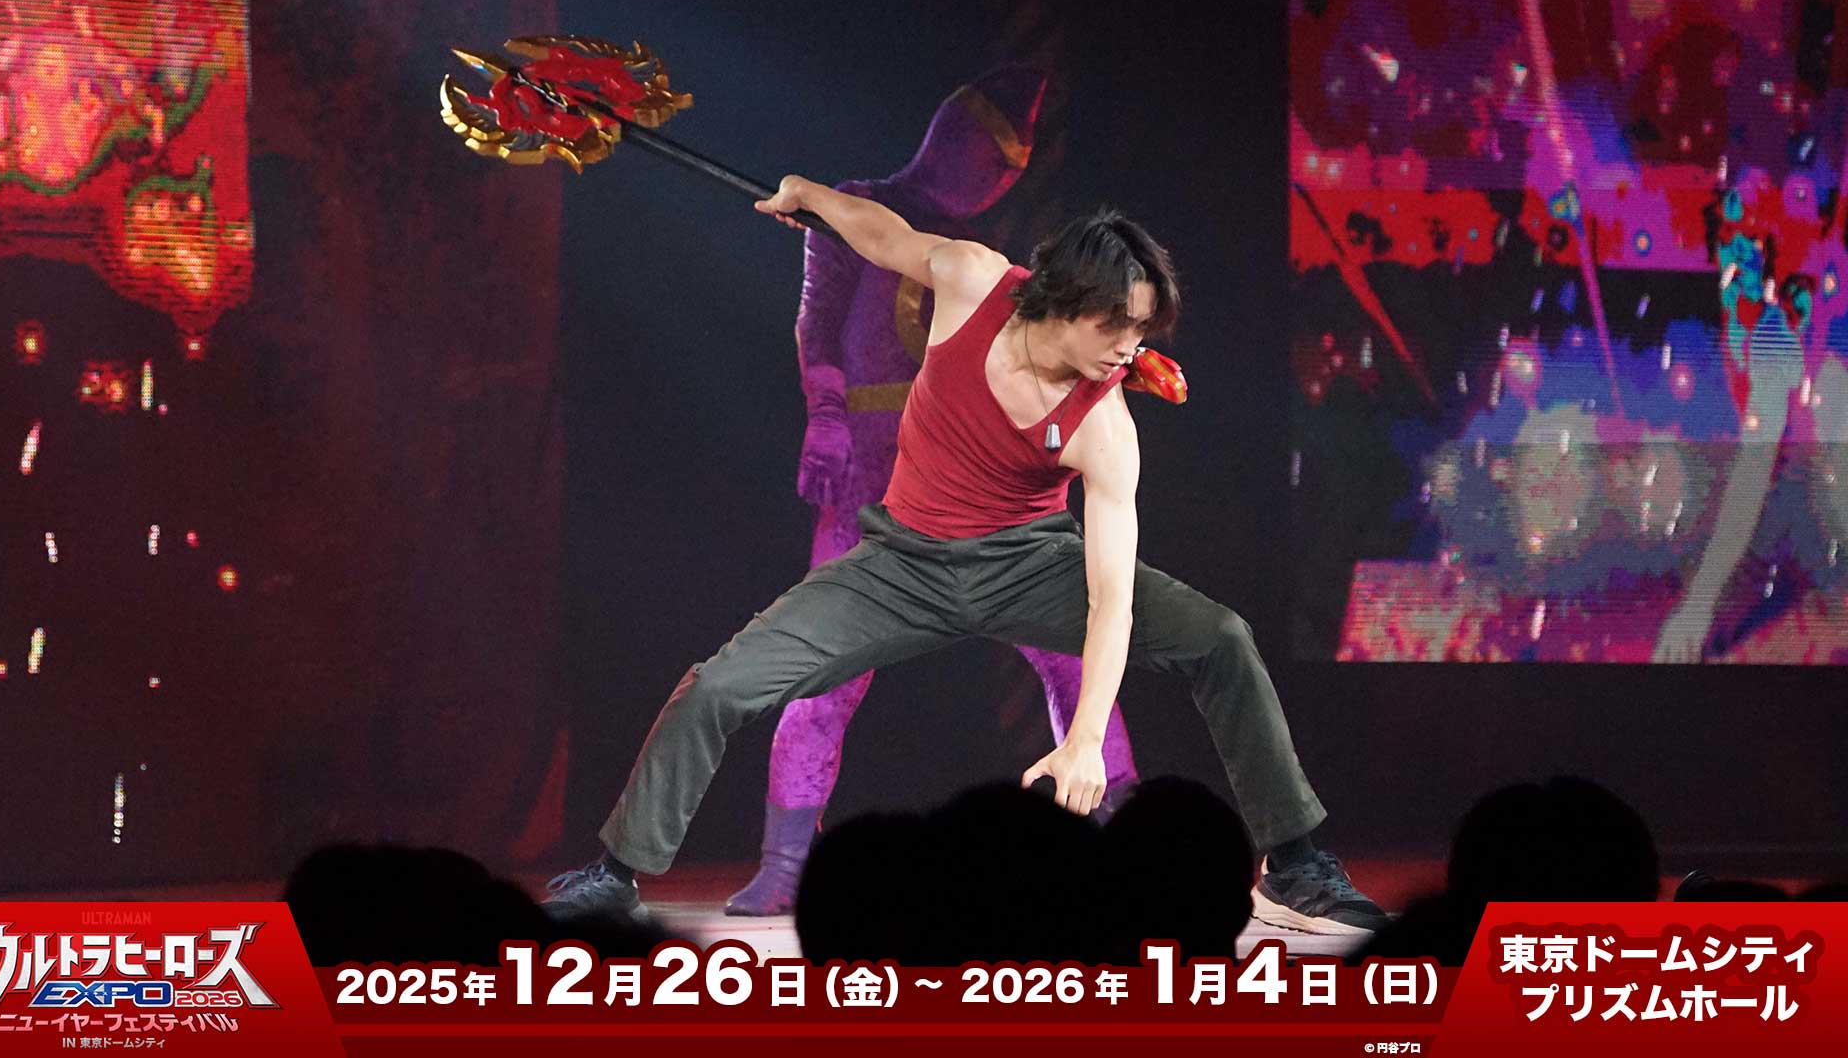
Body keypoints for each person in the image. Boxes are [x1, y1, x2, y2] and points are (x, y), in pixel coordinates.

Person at [544, 178, 1387, 935]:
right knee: (718, 686)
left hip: (1030, 566)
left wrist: (1084, 740)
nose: (1128, 348)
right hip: (899, 567)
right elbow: (880, 234)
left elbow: (1111, 599)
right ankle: (616, 873)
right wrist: (812, 196)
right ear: (1060, 300)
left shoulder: (1104, 424)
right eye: (1114, 324)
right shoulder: (972, 281)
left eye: (1141, 329)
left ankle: (1294, 865)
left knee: (1223, 638)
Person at [728, 67, 1140, 917]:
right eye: (991, 160)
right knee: (825, 663)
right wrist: (826, 414)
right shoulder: (865, 210)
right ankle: (785, 862)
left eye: (1010, 172)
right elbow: (819, 320)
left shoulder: (985, 257)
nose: (997, 182)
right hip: (869, 474)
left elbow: (1049, 343)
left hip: (976, 478)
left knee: (1069, 653)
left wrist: (1122, 360)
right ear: (951, 141)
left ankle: (1126, 839)